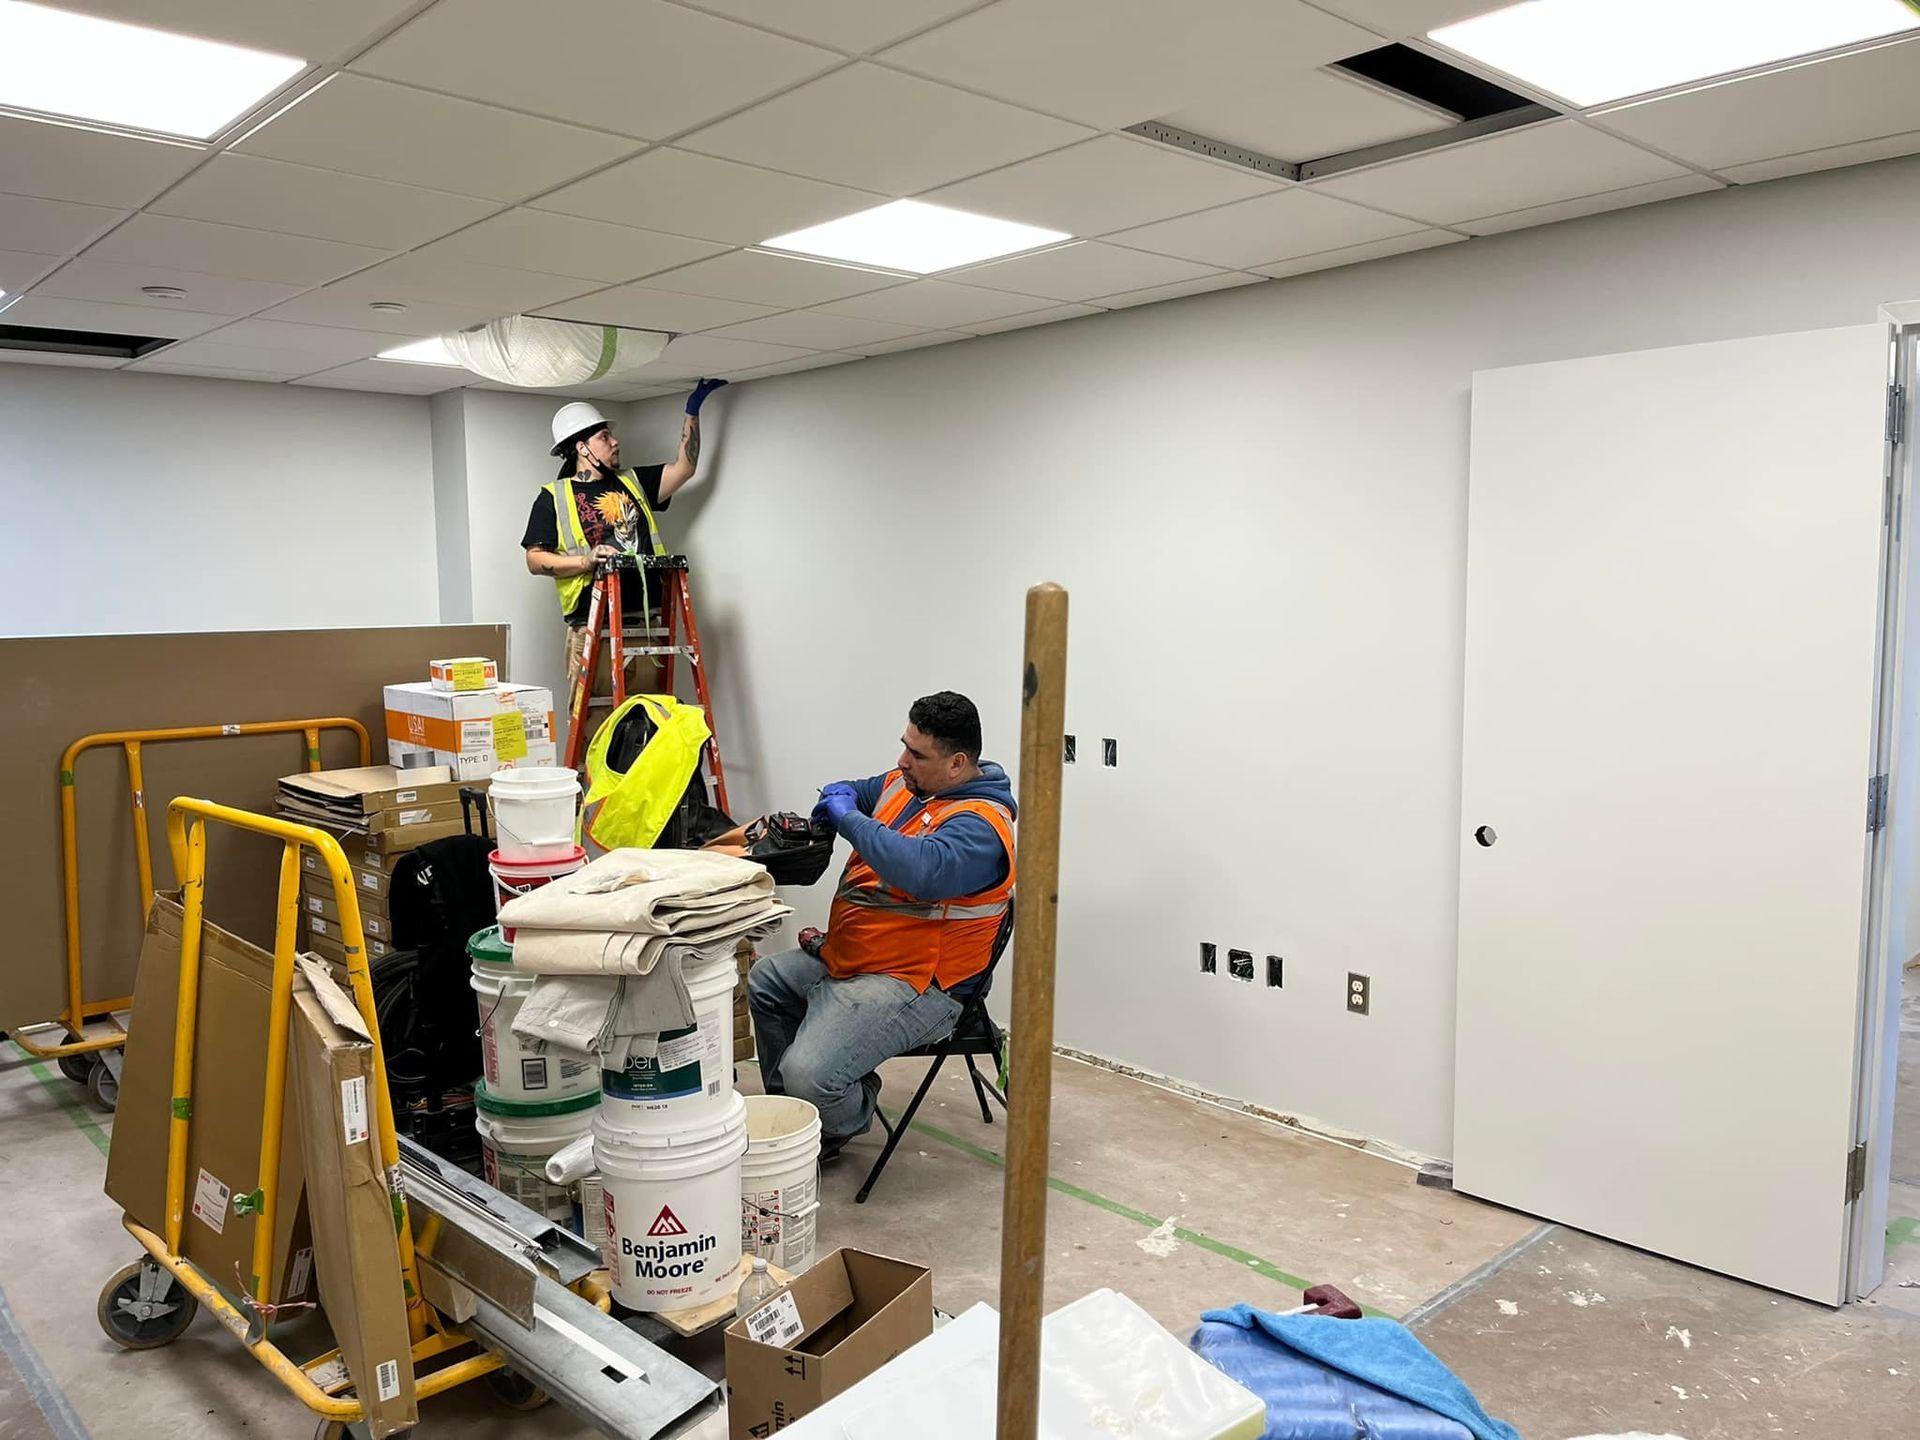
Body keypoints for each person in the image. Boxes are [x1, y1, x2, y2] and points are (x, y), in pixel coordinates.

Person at [747, 692, 1017, 1159]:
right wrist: (835, 800)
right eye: (904, 745)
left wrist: (849, 818)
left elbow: (922, 870)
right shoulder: (908, 785)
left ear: (956, 764)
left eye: (917, 754)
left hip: (920, 984)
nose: (902, 761)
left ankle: (844, 1111)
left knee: (810, 1073)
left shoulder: (980, 827)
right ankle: (800, 1118)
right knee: (766, 981)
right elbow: (856, 789)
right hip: (859, 958)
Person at [521, 379, 727, 706]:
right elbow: (535, 560)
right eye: (604, 437)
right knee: (597, 723)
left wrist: (692, 411)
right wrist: (586, 561)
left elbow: (685, 469)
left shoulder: (634, 482)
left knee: (646, 722)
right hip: (591, 629)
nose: (615, 442)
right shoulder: (554, 498)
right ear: (581, 448)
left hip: (644, 627)